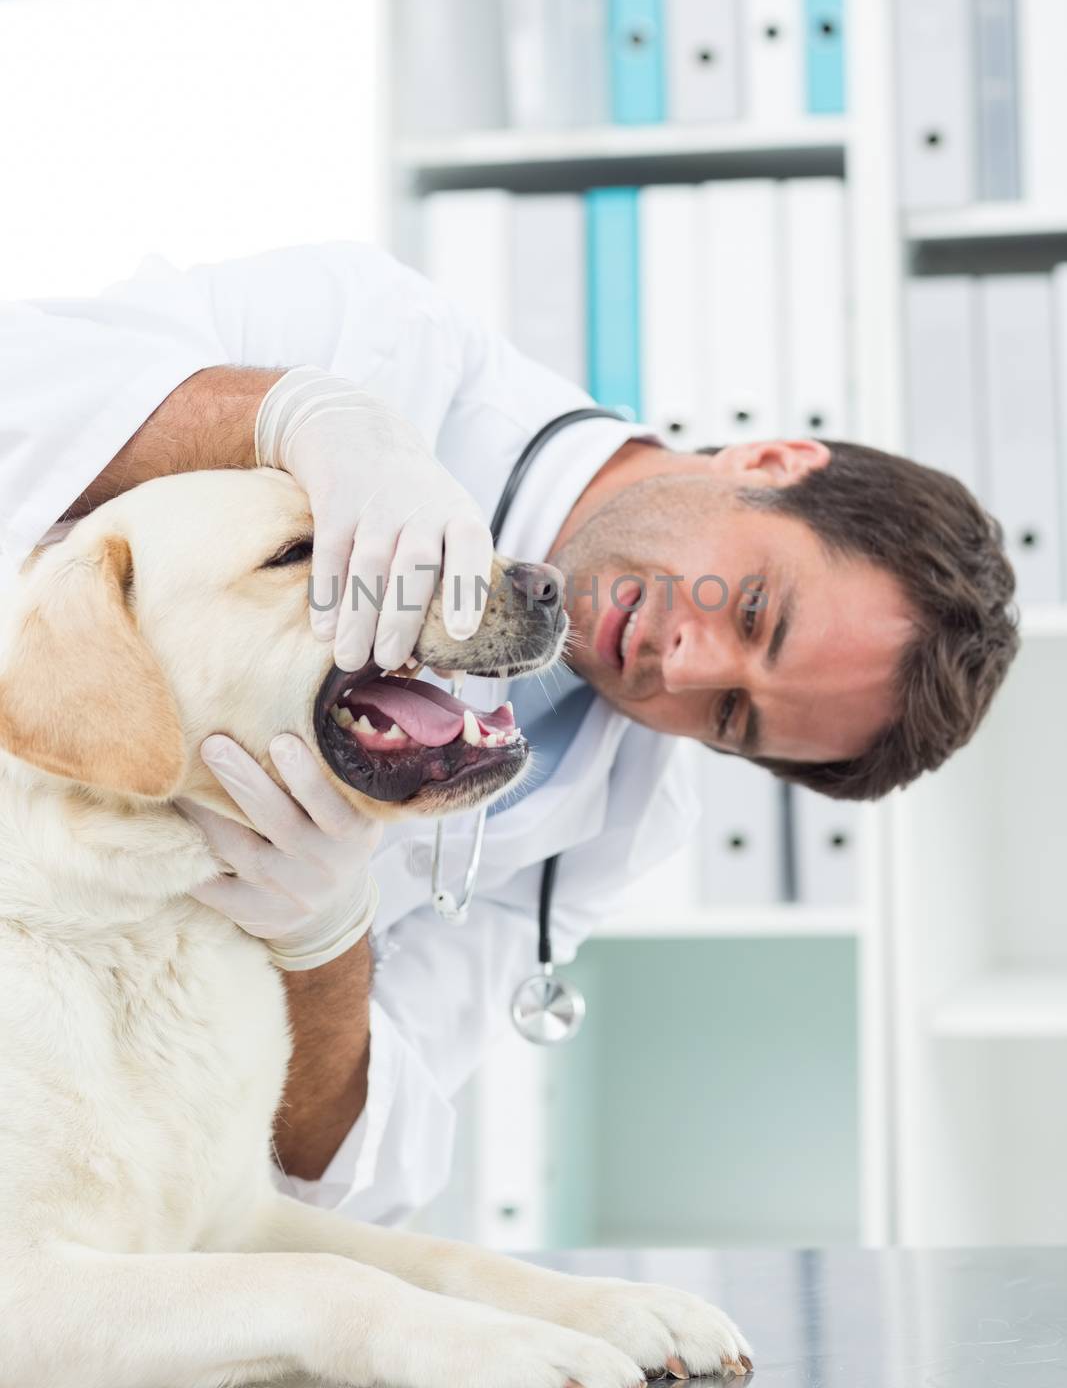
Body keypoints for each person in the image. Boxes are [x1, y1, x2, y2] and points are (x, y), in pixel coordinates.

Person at [0, 241, 1018, 1225]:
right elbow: (23, 388)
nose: (685, 663)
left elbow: (353, 1166)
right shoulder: (378, 340)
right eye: (753, 609)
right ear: (769, 459)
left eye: (728, 718)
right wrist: (293, 416)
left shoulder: (604, 817)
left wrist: (322, 940)